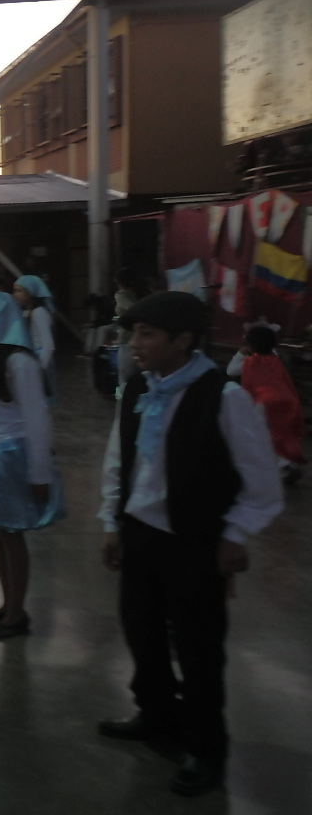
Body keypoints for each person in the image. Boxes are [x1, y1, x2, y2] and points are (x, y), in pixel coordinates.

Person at [97, 291, 284, 797]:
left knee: (199, 648)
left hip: (194, 542)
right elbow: (119, 458)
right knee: (142, 632)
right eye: (134, 334)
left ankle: (204, 747)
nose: (135, 344)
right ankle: (156, 714)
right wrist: (112, 519)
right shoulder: (139, 388)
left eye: (147, 334)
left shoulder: (223, 397)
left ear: (183, 340)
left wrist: (234, 534)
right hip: (141, 534)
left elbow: (262, 482)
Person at [0, 291, 64, 641]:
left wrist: (40, 474)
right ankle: (7, 603)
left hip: (11, 457)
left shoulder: (20, 362)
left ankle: (17, 612)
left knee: (10, 534)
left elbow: (37, 420)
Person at [227, 325, 306, 484]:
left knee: (262, 436)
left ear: (251, 345)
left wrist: (240, 353)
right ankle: (287, 463)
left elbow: (231, 371)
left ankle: (282, 465)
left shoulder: (250, 362)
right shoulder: (275, 359)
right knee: (281, 433)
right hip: (285, 400)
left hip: (264, 402)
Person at [14, 275, 56, 397]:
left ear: (30, 293)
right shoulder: (26, 312)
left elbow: (48, 344)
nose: (15, 294)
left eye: (19, 291)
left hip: (39, 359)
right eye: (15, 291)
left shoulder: (39, 313)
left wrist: (40, 367)